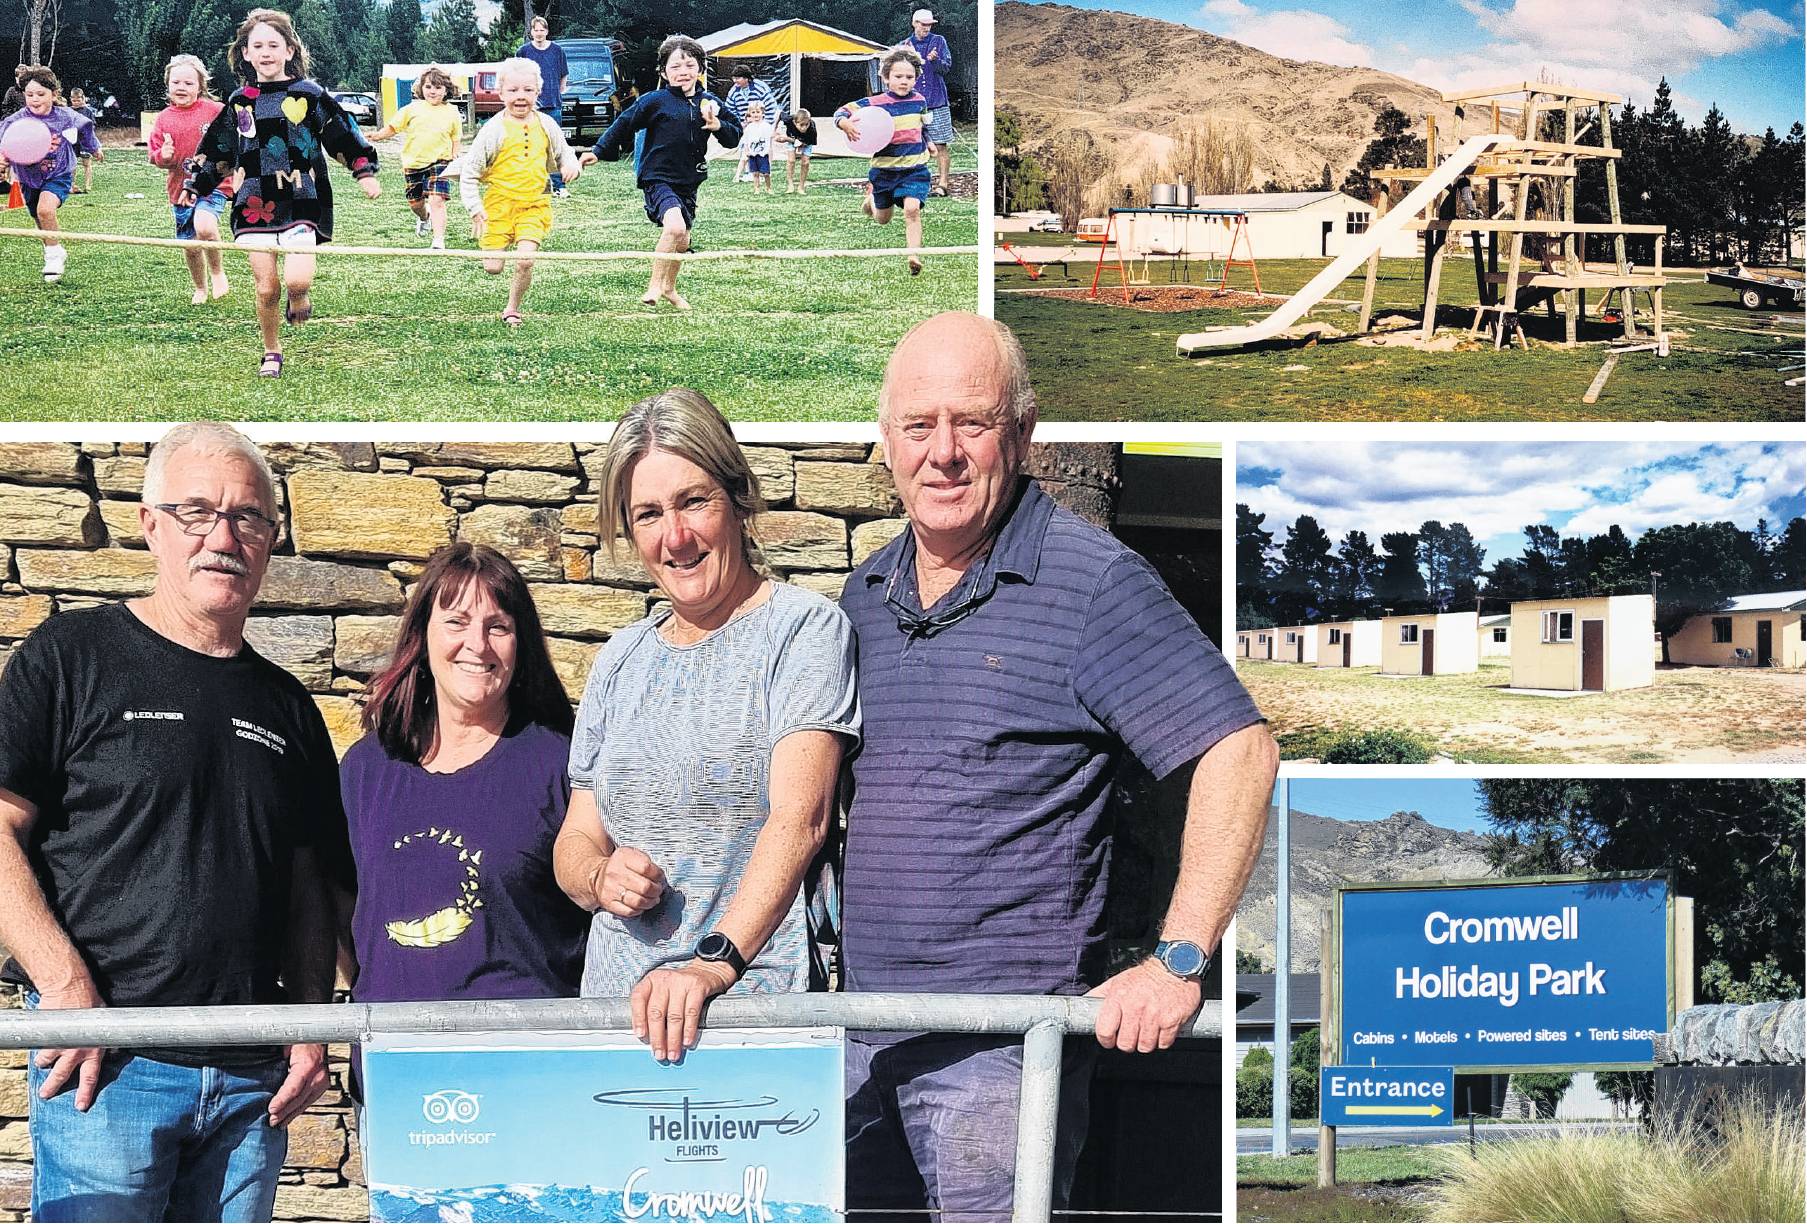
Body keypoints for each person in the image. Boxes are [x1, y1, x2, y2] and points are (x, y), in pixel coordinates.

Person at [838, 312, 1278, 1220]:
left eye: (974, 422)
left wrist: (1180, 958)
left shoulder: (1093, 582)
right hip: (857, 1043)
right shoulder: (864, 593)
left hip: (1003, 1060)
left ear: (1023, 433)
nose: (944, 452)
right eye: (919, 426)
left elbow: (1239, 748)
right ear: (886, 442)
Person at [0, 423, 351, 1223]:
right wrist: (65, 987)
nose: (223, 537)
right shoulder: (72, 655)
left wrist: (304, 1028)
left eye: (248, 517)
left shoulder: (287, 706)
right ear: (149, 524)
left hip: (247, 1084)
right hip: (109, 1068)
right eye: (196, 511)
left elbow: (306, 886)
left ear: (270, 539)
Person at [554, 388, 859, 1064]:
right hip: (615, 1021)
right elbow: (575, 838)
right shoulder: (619, 661)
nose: (676, 536)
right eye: (648, 514)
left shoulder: (801, 632)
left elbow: (800, 821)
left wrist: (711, 964)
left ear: (737, 496)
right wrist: (598, 875)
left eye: (694, 501)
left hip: (746, 1018)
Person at [342, 543, 588, 1016]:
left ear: (521, 644)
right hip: (394, 1065)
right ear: (423, 636)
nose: (477, 644)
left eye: (498, 626)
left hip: (520, 1064)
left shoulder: (562, 764)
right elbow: (344, 906)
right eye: (456, 621)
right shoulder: (365, 769)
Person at [187, 8, 381, 377]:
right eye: (256, 45)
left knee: (296, 280)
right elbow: (220, 148)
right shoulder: (240, 100)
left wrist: (363, 171)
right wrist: (198, 184)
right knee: (265, 289)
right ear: (245, 53)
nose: (265, 52)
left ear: (289, 51)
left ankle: (300, 296)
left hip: (301, 199)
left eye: (273, 45)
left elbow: (341, 133)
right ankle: (272, 351)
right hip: (253, 203)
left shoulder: (309, 94)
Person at [580, 36, 738, 312]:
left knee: (683, 240)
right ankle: (654, 286)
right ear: (664, 72)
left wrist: (716, 126)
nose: (683, 72)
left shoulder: (710, 102)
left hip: (689, 180)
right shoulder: (655, 101)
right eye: (675, 67)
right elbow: (624, 123)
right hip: (657, 178)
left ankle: (669, 288)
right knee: (675, 227)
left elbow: (734, 136)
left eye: (689, 65)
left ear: (700, 68)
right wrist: (599, 149)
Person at [458, 56, 582, 326]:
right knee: (493, 267)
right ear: (501, 92)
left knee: (525, 261)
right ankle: (499, 246)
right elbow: (469, 173)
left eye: (528, 90)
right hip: (497, 208)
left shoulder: (547, 124)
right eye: (513, 90)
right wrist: (475, 208)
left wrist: (571, 166)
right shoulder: (492, 130)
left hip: (534, 206)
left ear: (538, 91)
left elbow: (565, 154)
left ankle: (512, 309)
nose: (520, 96)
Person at [0, 66, 101, 283]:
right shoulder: (16, 120)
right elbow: (5, 141)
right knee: (38, 216)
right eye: (29, 95)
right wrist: (3, 161)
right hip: (28, 177)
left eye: (41, 94)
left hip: (59, 173)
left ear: (54, 94)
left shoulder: (65, 116)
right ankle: (53, 248)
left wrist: (93, 147)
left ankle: (53, 257)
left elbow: (85, 127)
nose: (35, 99)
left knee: (45, 210)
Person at [835, 47, 930, 275]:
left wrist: (929, 142)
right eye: (898, 76)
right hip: (885, 172)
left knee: (912, 209)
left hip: (914, 169)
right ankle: (871, 202)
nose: (904, 81)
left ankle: (913, 255)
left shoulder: (920, 101)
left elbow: (921, 125)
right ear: (886, 77)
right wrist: (844, 123)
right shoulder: (874, 102)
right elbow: (842, 111)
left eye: (909, 77)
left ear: (916, 78)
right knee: (882, 219)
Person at [148, 54, 230, 303]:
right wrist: (163, 155)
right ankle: (200, 287)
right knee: (191, 245)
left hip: (214, 184)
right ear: (168, 85)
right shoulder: (163, 118)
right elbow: (155, 156)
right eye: (176, 83)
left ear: (201, 86)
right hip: (179, 189)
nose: (181, 88)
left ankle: (217, 273)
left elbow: (232, 142)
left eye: (188, 83)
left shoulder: (215, 111)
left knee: (205, 226)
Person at [370, 65, 461, 250]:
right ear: (421, 88)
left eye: (438, 87)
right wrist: (378, 135)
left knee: (437, 199)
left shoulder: (452, 112)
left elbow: (456, 136)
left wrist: (454, 155)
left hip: (440, 162)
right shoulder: (412, 109)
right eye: (428, 87)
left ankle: (438, 241)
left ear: (446, 90)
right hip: (413, 164)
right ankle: (423, 217)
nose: (432, 91)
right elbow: (393, 127)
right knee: (416, 203)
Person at [515, 16, 569, 197]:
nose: (539, 33)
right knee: (528, 146)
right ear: (531, 32)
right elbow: (515, 75)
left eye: (542, 30)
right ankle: (531, 184)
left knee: (554, 147)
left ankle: (559, 186)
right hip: (530, 107)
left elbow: (564, 75)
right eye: (535, 30)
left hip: (553, 105)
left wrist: (558, 92)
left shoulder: (557, 51)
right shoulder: (523, 52)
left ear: (546, 31)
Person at [903, 8, 954, 196]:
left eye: (929, 25)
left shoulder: (939, 41)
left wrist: (934, 60)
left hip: (937, 101)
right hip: (913, 104)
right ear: (914, 24)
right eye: (923, 24)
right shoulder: (905, 45)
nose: (926, 28)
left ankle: (943, 185)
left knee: (940, 145)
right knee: (914, 145)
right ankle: (918, 184)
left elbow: (946, 67)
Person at [723, 66, 776, 183]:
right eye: (734, 78)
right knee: (746, 148)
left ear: (746, 78)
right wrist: (739, 124)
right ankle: (750, 172)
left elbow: (771, 107)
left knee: (765, 147)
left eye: (738, 78)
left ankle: (765, 171)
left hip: (763, 123)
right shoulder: (734, 92)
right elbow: (730, 110)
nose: (735, 81)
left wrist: (765, 124)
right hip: (746, 126)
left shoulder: (760, 88)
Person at [774, 107, 817, 194]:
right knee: (791, 160)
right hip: (793, 136)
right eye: (801, 125)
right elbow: (779, 113)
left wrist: (786, 139)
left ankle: (801, 186)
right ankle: (790, 185)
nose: (804, 128)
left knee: (805, 162)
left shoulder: (812, 128)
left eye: (806, 124)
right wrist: (774, 129)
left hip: (803, 141)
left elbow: (805, 143)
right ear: (794, 122)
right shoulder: (789, 119)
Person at [66, 88, 97, 193]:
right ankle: (71, 185)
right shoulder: (68, 111)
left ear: (83, 98)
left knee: (87, 163)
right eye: (74, 100)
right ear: (70, 99)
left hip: (85, 142)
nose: (76, 103)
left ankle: (88, 186)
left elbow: (91, 126)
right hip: (72, 142)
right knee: (72, 164)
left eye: (78, 100)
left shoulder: (87, 112)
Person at [739, 99, 773, 194]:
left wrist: (770, 154)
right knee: (755, 173)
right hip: (752, 154)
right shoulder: (749, 128)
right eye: (753, 112)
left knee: (766, 173)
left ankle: (768, 188)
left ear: (762, 113)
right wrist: (747, 151)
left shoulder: (766, 126)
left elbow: (770, 141)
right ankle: (757, 188)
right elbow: (746, 141)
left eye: (758, 112)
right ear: (750, 114)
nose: (756, 114)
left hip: (763, 153)